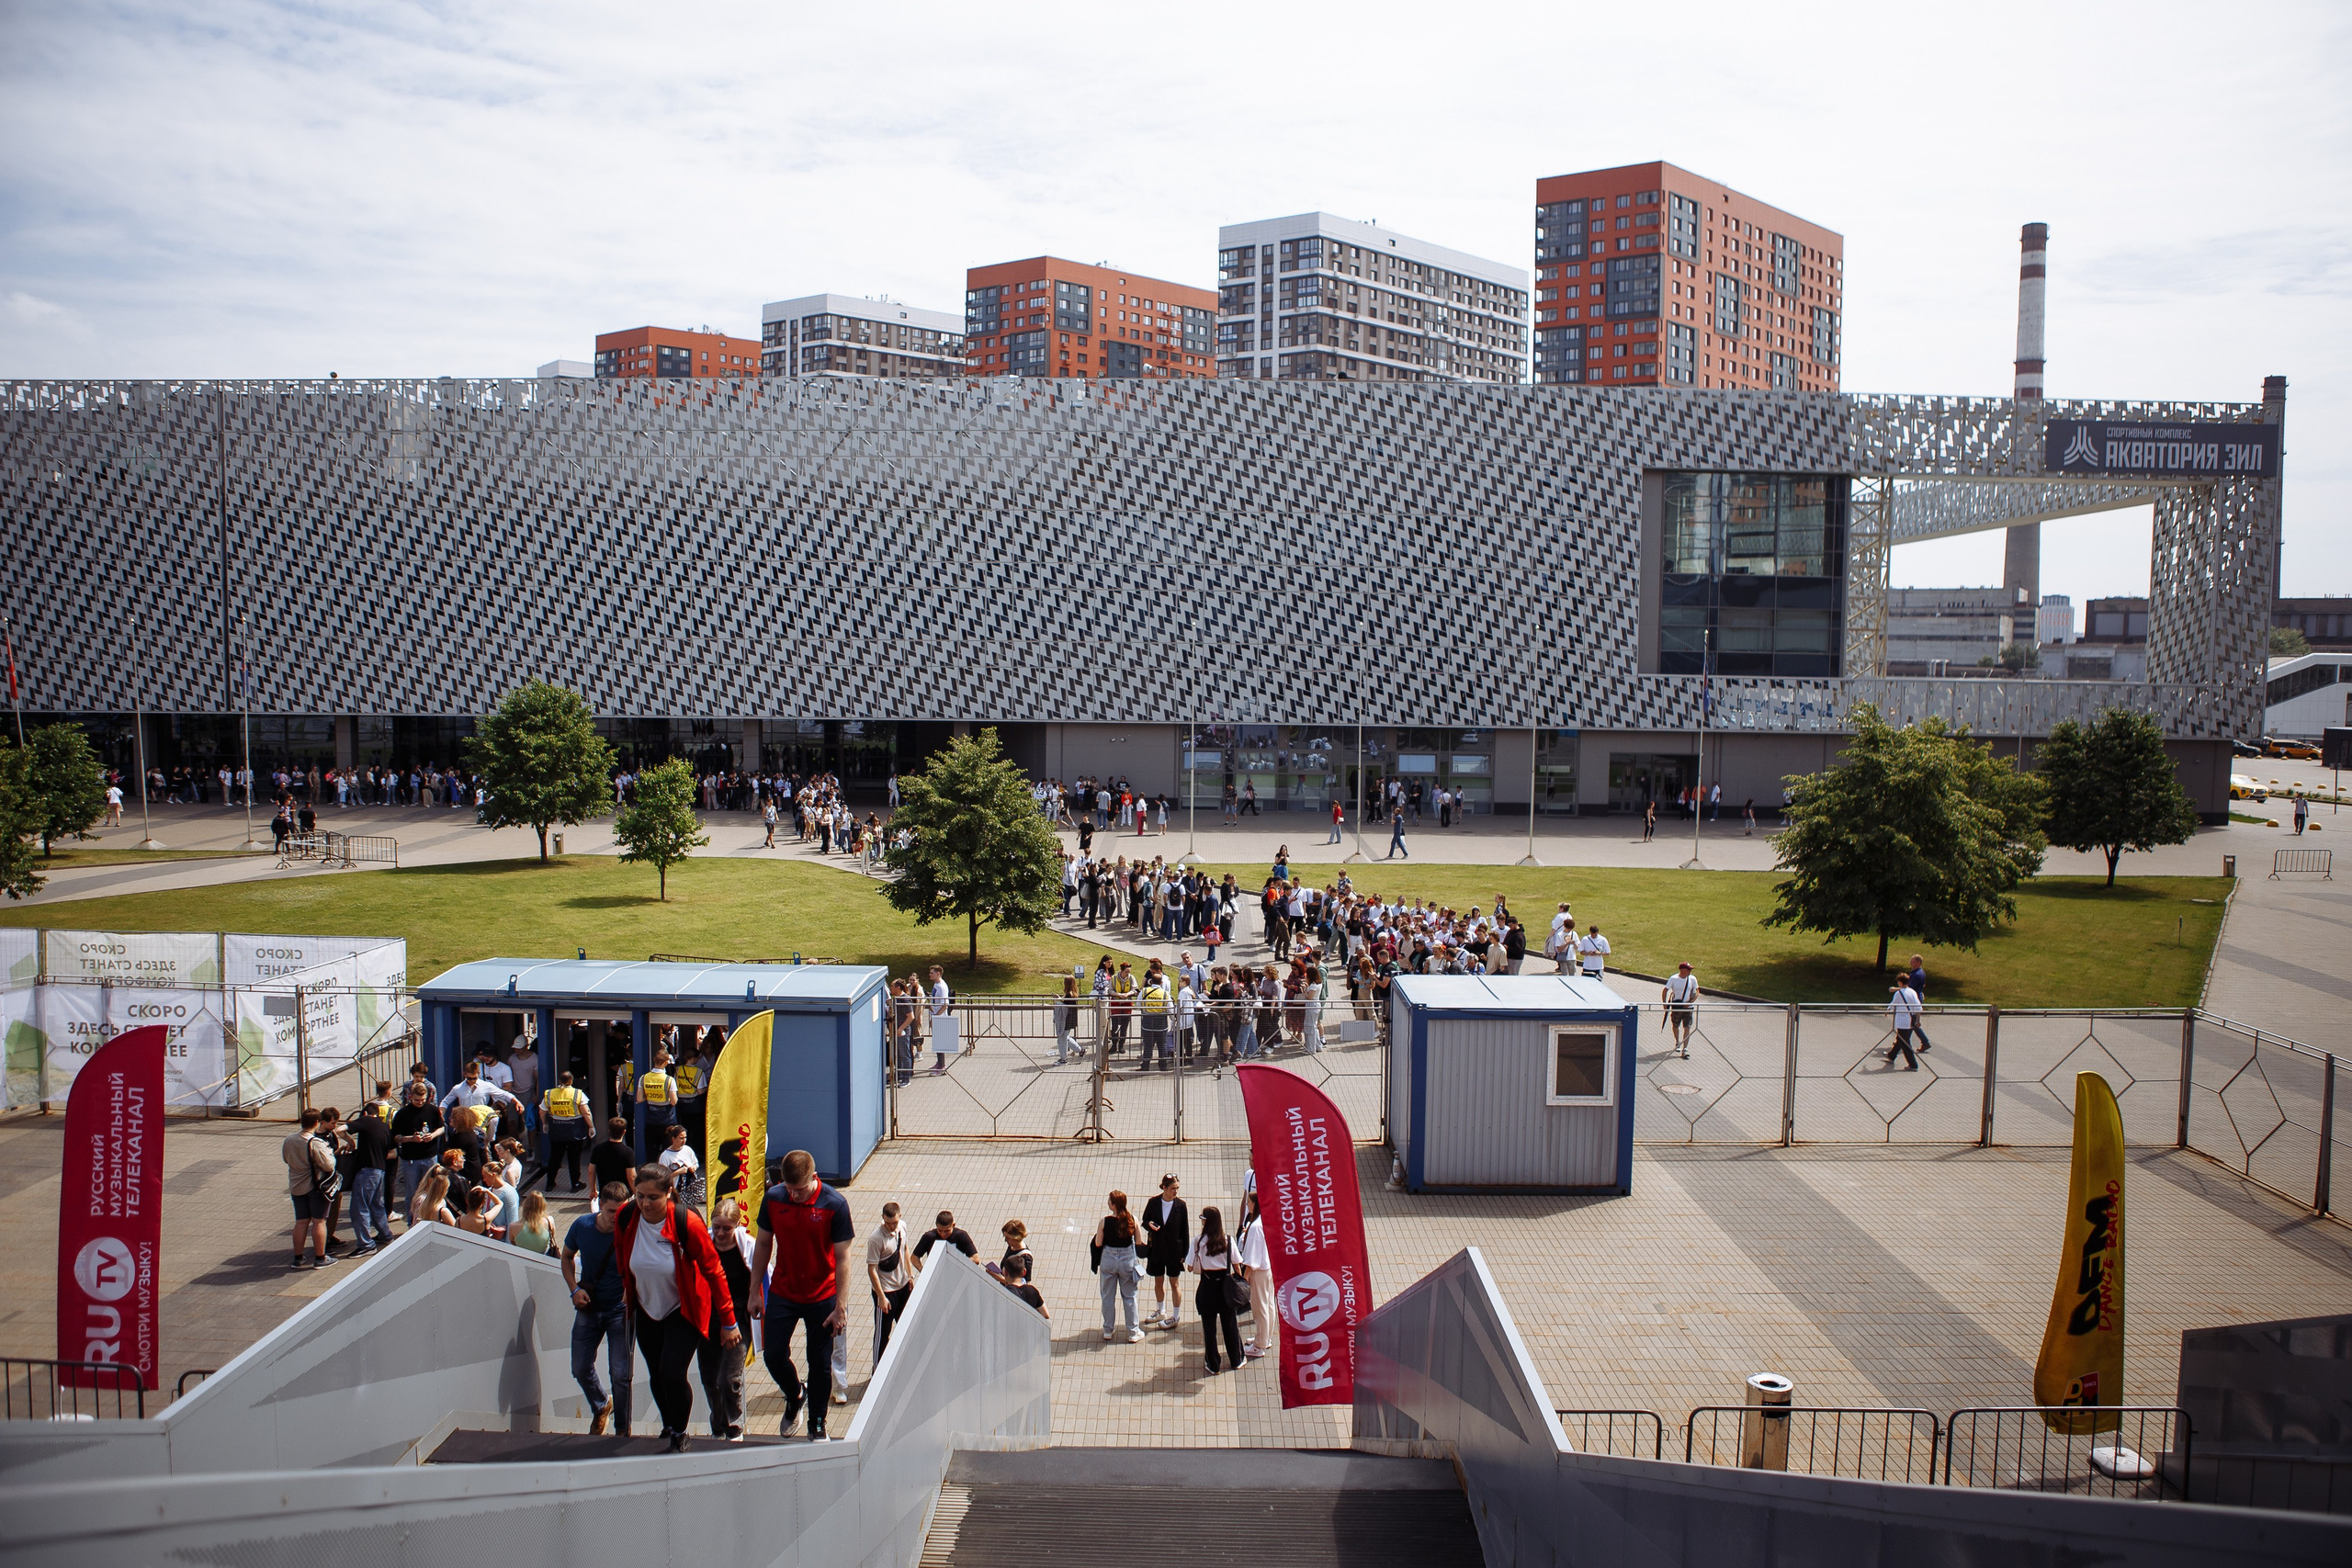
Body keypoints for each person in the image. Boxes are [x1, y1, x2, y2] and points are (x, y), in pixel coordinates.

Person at [615, 1162, 740, 1453]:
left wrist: (729, 1322)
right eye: (640, 1195)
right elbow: (622, 1254)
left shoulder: (687, 1222)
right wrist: (626, 1289)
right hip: (646, 1307)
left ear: (669, 1193)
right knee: (656, 1374)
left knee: (672, 1373)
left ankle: (680, 1433)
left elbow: (714, 1272)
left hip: (682, 1309)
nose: (645, 1203)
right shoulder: (626, 1216)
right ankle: (669, 1423)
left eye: (653, 1197)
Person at [752, 1148, 855, 1441]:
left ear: (814, 1177)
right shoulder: (773, 1198)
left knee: (819, 1363)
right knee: (773, 1355)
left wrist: (841, 1307)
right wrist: (755, 1292)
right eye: (789, 1188)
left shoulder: (835, 1205)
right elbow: (762, 1245)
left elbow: (844, 1258)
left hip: (822, 1297)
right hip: (784, 1292)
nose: (794, 1195)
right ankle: (796, 1394)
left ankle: (817, 1422)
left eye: (799, 1190)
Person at [563, 1180, 633, 1436]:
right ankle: (602, 1404)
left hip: (618, 1310)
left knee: (620, 1374)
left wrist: (630, 1290)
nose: (618, 1217)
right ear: (600, 1205)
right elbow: (567, 1256)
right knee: (580, 1367)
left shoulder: (630, 1229)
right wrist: (574, 1289)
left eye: (622, 1211)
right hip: (589, 1307)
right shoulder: (582, 1226)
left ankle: (622, 1430)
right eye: (612, 1212)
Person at [707, 1197, 757, 1441]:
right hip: (708, 1317)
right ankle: (718, 1423)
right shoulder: (704, 1244)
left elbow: (762, 1278)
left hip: (738, 1317)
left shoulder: (748, 1246)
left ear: (738, 1224)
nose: (720, 1233)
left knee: (729, 1378)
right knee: (710, 1380)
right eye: (716, 1227)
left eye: (726, 1228)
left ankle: (734, 1423)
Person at [1187, 1205, 1244, 1375]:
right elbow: (1237, 1265)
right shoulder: (1228, 1240)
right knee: (1230, 1325)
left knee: (1209, 1328)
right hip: (1225, 1289)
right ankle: (1236, 1359)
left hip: (1207, 1287)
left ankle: (1213, 1364)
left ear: (1206, 1221)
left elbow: (1190, 1267)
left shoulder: (1197, 1241)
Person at [283, 1109, 338, 1270]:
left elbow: (286, 1159)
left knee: (301, 1222)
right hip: (315, 1188)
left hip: (296, 1186)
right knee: (319, 1221)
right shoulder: (314, 1143)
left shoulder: (289, 1139)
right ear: (316, 1123)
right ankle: (320, 1258)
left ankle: (298, 1258)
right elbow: (329, 1165)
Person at [348, 1088, 397, 1255]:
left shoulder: (365, 1121)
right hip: (380, 1171)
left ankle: (365, 1244)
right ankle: (386, 1234)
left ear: (365, 1114)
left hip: (366, 1172)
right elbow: (393, 1152)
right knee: (377, 1204)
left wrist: (350, 1143)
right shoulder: (384, 1127)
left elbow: (341, 1130)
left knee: (358, 1207)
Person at [866, 1201, 914, 1366]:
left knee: (907, 1327)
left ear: (900, 1217)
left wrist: (910, 1276)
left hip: (903, 1286)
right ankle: (877, 1369)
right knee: (882, 1333)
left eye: (894, 1222)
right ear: (882, 1219)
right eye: (888, 1223)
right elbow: (872, 1269)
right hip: (886, 1292)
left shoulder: (902, 1227)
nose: (892, 1226)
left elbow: (905, 1249)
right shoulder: (876, 1239)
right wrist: (881, 1296)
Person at [1093, 1190, 1143, 1342]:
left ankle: (1108, 1330)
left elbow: (1098, 1243)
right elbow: (1139, 1242)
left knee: (1108, 1296)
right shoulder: (1132, 1219)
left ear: (1113, 1205)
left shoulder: (1105, 1221)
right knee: (1129, 1296)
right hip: (1127, 1261)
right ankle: (1133, 1332)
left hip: (1109, 1260)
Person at [1141, 1174, 1189, 1331]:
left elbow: (1185, 1230)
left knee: (1174, 1282)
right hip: (1157, 1249)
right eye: (1173, 1188)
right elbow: (1145, 1220)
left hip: (1174, 1251)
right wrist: (1150, 1225)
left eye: (1177, 1188)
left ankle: (1175, 1315)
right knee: (1158, 1281)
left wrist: (1185, 1252)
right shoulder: (1153, 1202)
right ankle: (1161, 1311)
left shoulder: (1181, 1206)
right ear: (1164, 1188)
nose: (1176, 1191)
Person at [1236, 1192, 1272, 1360]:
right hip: (1267, 1269)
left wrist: (1246, 1276)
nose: (1247, 1205)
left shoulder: (1256, 1227)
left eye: (1249, 1202)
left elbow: (1251, 1257)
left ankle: (1259, 1345)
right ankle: (1264, 1338)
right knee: (1268, 1304)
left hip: (1258, 1272)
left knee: (1259, 1308)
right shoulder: (1262, 1221)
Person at [541, 1072, 593, 1192]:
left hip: (556, 1130)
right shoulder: (578, 1093)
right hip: (574, 1131)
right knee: (574, 1159)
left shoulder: (550, 1093)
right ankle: (575, 1184)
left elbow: (542, 1111)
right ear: (571, 1080)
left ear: (559, 1080)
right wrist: (591, 1126)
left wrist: (545, 1123)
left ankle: (549, 1184)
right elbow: (586, 1112)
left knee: (555, 1157)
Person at [588, 1118, 638, 1212]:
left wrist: (593, 1190)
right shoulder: (628, 1152)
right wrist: (636, 1193)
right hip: (624, 1195)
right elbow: (631, 1176)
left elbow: (591, 1171)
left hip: (605, 1194)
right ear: (624, 1132)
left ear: (609, 1131)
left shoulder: (598, 1149)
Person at [658, 1122, 704, 1210]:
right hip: (674, 1191)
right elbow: (662, 1177)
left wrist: (693, 1167)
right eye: (681, 1138)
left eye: (685, 1137)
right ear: (673, 1139)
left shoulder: (688, 1149)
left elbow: (696, 1163)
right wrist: (679, 1171)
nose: (684, 1140)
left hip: (688, 1189)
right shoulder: (665, 1156)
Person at [913, 1210, 978, 1271]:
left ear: (953, 1225)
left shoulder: (961, 1235)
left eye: (947, 1231)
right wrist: (922, 1270)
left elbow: (975, 1259)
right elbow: (914, 1257)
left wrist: (959, 1265)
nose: (943, 1234)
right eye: (940, 1230)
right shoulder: (929, 1237)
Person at [1885, 979, 1923, 1071]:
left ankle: (1913, 1064)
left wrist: (1887, 1010)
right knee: (1901, 1039)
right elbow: (1918, 1007)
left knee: (1904, 1042)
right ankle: (1892, 1055)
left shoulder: (1899, 993)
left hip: (1902, 1021)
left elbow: (1893, 1005)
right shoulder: (1912, 992)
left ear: (1900, 983)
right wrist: (1918, 1020)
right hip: (1911, 1020)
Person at [1000, 1252, 1048, 1317]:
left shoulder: (1005, 1293)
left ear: (1005, 1273)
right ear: (1024, 1272)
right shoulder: (1032, 1291)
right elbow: (1046, 1314)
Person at [510, 1190, 557, 1255]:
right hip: (544, 1259)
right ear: (543, 1205)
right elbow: (552, 1235)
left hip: (523, 1259)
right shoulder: (549, 1220)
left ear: (525, 1205)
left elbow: (512, 1243)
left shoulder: (513, 1226)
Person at [927, 966, 954, 1075]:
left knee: (940, 1042)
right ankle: (939, 1062)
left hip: (940, 1017)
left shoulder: (942, 987)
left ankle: (942, 1066)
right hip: (935, 1014)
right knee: (937, 1042)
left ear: (938, 974)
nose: (930, 975)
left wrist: (936, 1017)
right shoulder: (936, 985)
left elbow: (945, 1005)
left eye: (932, 973)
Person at [1905, 954, 1934, 1054]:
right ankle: (1901, 1040)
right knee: (1911, 1022)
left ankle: (1925, 1042)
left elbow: (1909, 988)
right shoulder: (1920, 972)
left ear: (1918, 962)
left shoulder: (1917, 974)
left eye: (1912, 961)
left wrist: (1897, 989)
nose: (1910, 962)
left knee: (1913, 1023)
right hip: (1916, 999)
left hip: (1914, 1001)